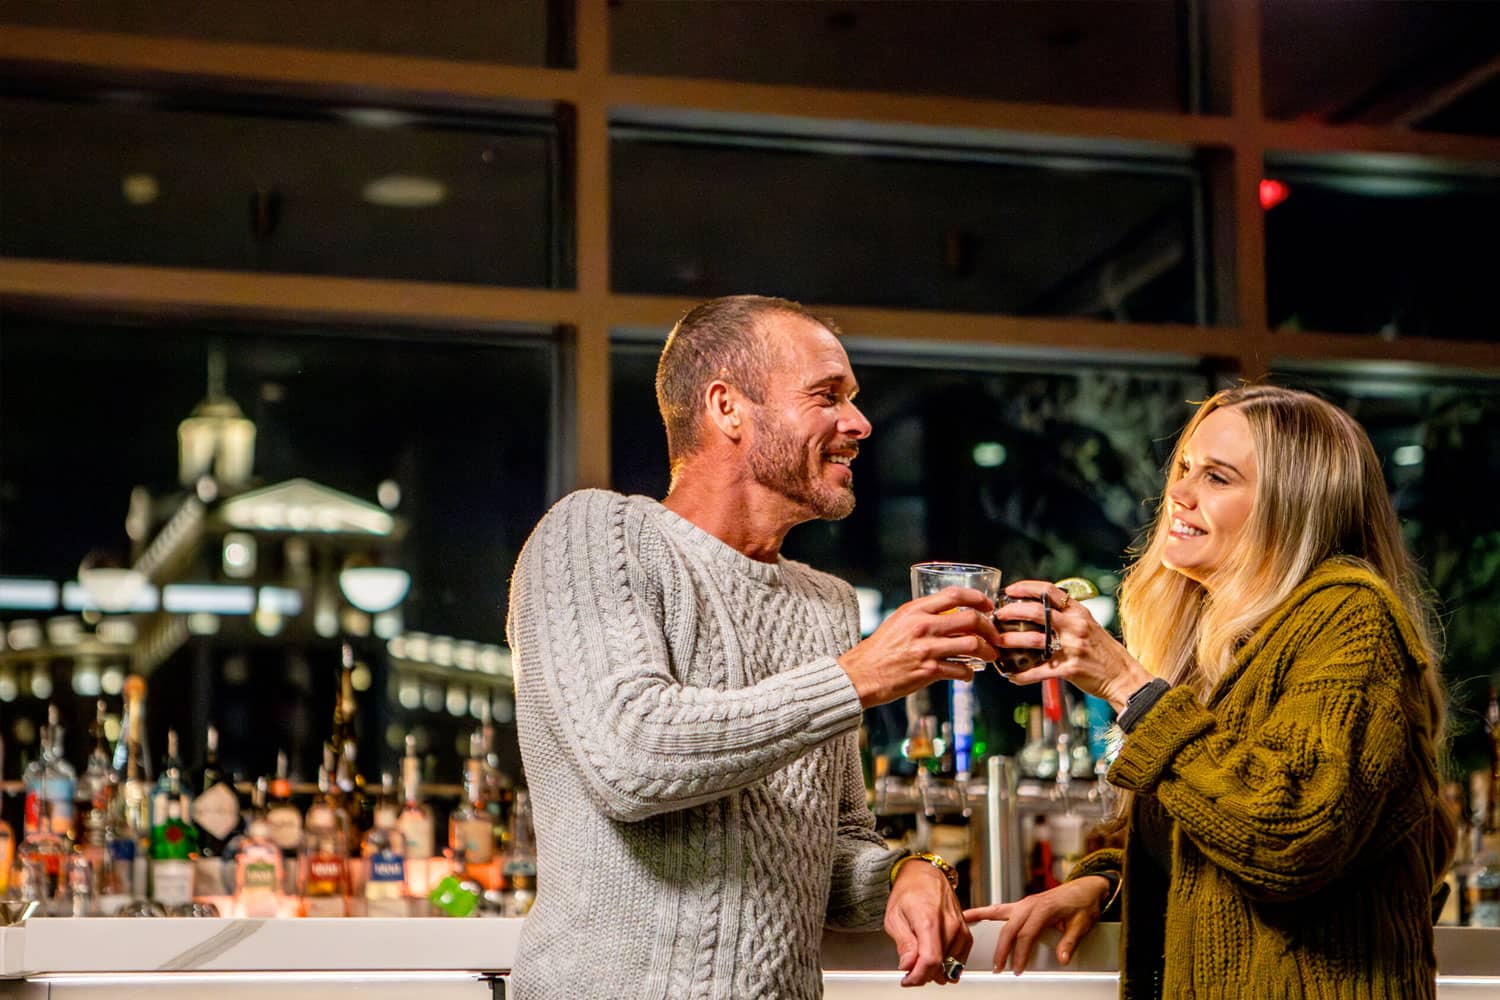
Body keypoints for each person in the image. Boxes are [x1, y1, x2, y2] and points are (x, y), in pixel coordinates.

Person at [506, 295, 1003, 999]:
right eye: (828, 396)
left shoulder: (826, 603)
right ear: (728, 408)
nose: (860, 423)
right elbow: (630, 756)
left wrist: (906, 873)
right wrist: (855, 678)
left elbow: (826, 842)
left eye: (853, 399)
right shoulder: (594, 534)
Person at [967, 385, 1455, 997]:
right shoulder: (1225, 643)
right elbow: (1209, 832)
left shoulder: (1350, 617)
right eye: (1184, 469)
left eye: (1218, 477)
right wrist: (1104, 882)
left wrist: (1127, 686)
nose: (1179, 493)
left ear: (1294, 504)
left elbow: (1290, 837)